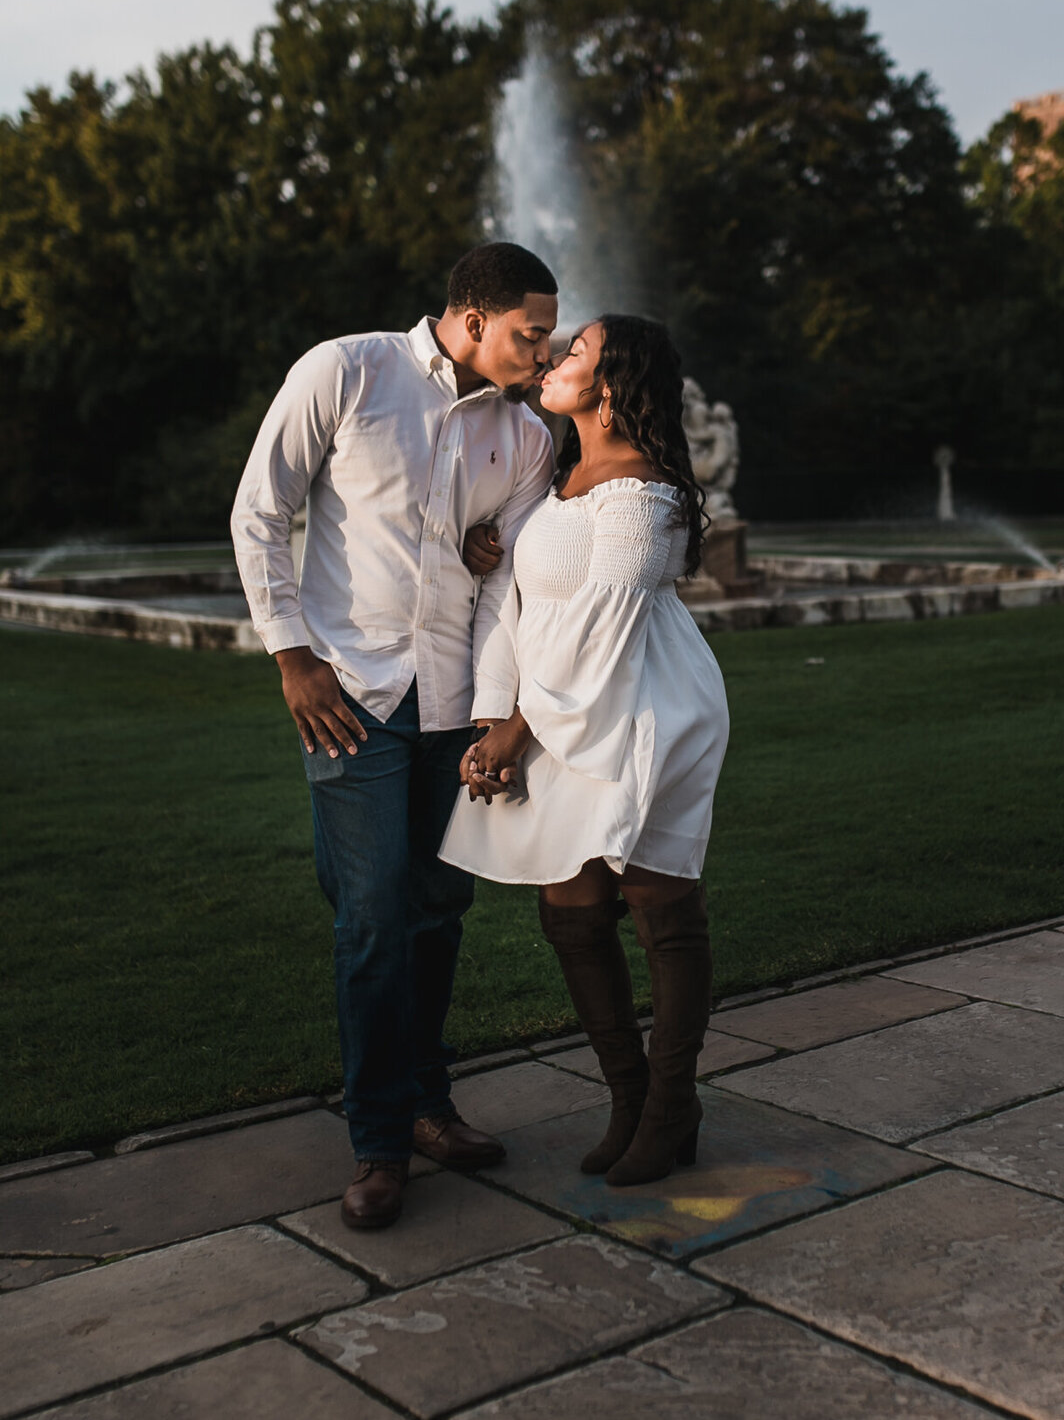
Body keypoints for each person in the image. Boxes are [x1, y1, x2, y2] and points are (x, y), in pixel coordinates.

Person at [231, 243, 558, 1230]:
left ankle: (427, 1103)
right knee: (372, 913)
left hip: (455, 703)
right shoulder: (347, 370)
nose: (542, 354)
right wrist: (291, 653)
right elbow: (263, 510)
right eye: (528, 334)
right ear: (471, 318)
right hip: (351, 695)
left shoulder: (527, 437)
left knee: (438, 908)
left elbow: (510, 577)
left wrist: (503, 709)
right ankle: (378, 1142)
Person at [440, 315, 729, 1186]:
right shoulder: (562, 481)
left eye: (574, 353)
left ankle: (674, 1104)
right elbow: (529, 607)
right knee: (570, 913)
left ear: (609, 385)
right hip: (553, 711)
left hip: (642, 712)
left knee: (659, 911)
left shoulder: (644, 493)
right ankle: (631, 1098)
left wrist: (516, 729)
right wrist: (495, 713)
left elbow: (605, 628)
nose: (555, 360)